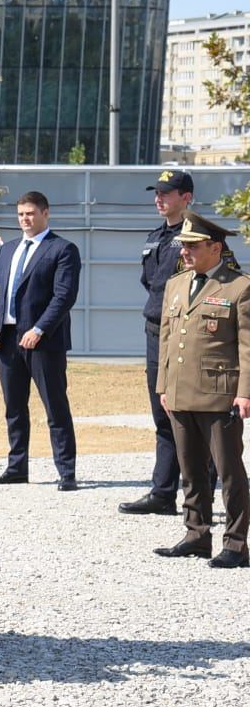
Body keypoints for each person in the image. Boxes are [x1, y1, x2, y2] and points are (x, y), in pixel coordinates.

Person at [152, 213, 250, 568]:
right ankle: (196, 535)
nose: (186, 252)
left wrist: (245, 392)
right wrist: (163, 385)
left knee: (229, 472)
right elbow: (166, 338)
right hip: (179, 393)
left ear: (216, 248)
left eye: (193, 246)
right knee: (190, 470)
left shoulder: (238, 287)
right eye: (184, 246)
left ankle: (237, 544)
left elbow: (247, 346)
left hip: (219, 394)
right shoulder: (177, 284)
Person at [122, 170, 222, 516]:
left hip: (191, 336)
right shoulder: (156, 236)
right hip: (157, 332)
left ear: (187, 197)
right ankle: (163, 493)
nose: (159, 199)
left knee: (195, 414)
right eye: (157, 193)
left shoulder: (202, 235)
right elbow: (150, 283)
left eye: (167, 193)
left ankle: (204, 493)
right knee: (163, 413)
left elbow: (221, 283)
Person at [0, 192, 82, 490]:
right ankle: (17, 467)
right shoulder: (8, 250)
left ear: (45, 214)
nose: (25, 219)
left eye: (31, 213)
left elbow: (64, 296)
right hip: (8, 340)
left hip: (44, 342)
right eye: (21, 214)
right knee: (14, 407)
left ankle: (66, 472)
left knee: (55, 407)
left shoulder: (62, 249)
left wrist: (39, 329)